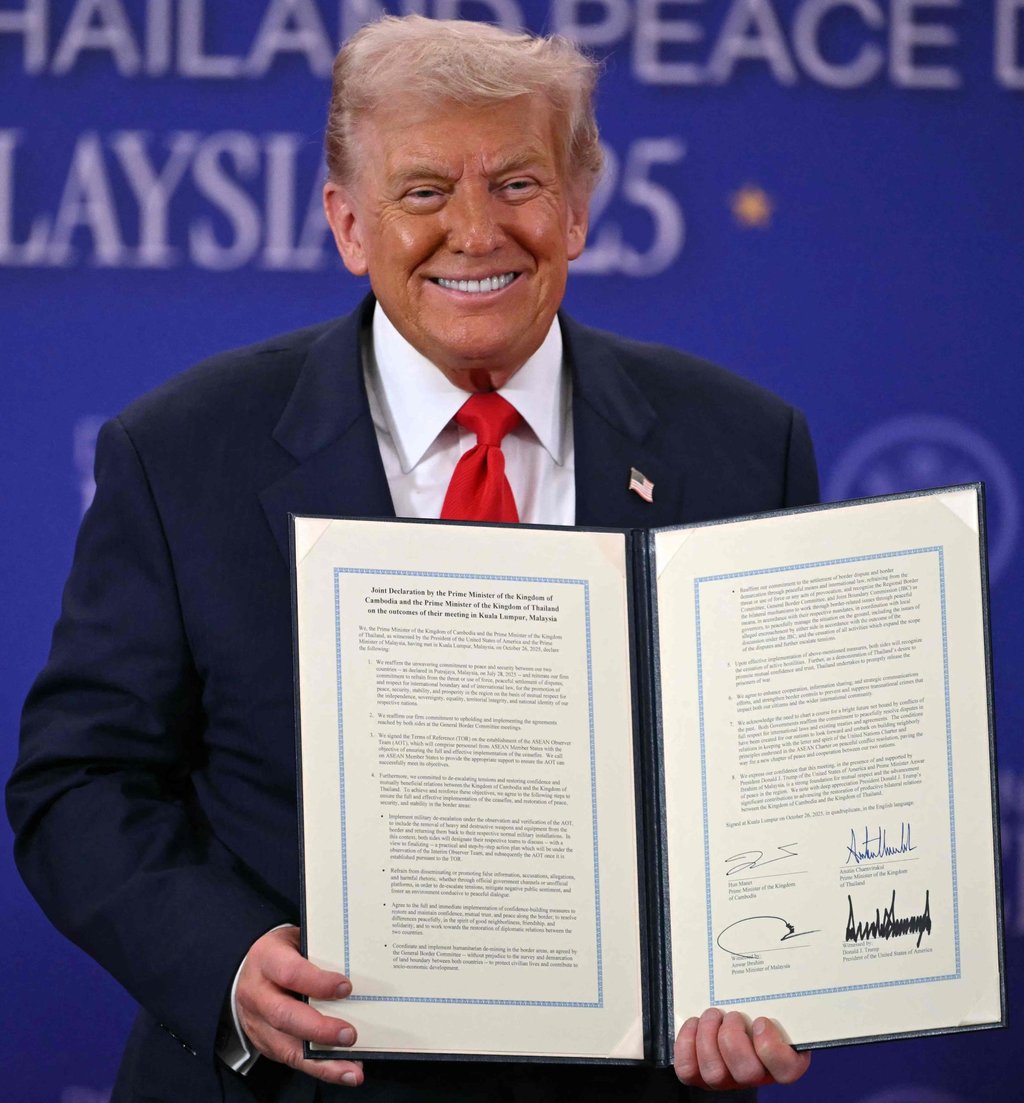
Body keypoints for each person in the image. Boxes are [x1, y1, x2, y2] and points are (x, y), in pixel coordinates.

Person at [7, 15, 817, 1103]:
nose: (477, 231)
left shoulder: (742, 445)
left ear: (578, 208)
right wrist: (231, 962)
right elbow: (79, 779)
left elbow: (784, 793)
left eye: (519, 183)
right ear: (348, 223)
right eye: (425, 191)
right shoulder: (181, 452)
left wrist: (774, 976)